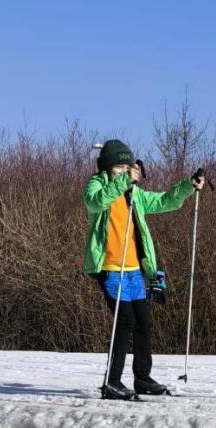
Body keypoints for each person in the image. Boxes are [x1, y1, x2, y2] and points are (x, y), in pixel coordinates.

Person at [84, 139, 204, 399]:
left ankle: (142, 378)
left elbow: (164, 201)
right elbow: (95, 202)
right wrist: (123, 181)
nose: (126, 173)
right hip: (110, 268)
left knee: (142, 323)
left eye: (129, 169)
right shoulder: (98, 184)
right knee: (123, 321)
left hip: (135, 269)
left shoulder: (134, 195)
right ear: (107, 169)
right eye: (120, 169)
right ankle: (112, 381)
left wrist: (187, 187)